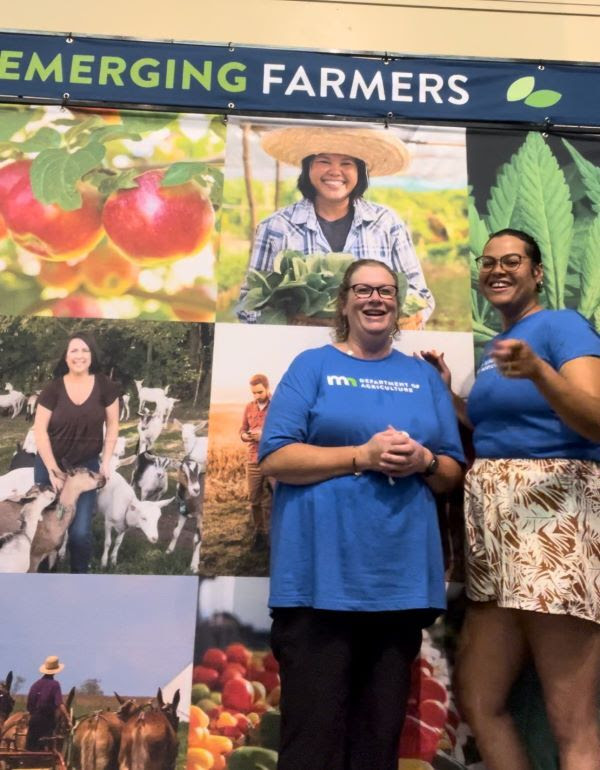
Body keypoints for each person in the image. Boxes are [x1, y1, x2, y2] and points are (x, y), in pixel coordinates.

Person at [258, 258, 464, 770]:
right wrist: (361, 456)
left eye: (386, 291)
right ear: (344, 302)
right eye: (363, 290)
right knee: (312, 746)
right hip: (316, 585)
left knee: (376, 748)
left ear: (397, 303)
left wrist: (425, 460)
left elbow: (450, 472)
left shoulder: (422, 377)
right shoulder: (312, 365)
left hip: (396, 587)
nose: (376, 299)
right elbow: (275, 459)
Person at [423, 228, 600, 770]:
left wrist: (541, 371)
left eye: (512, 261)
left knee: (571, 719)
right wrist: (450, 395)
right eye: (488, 262)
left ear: (537, 272)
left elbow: (594, 417)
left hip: (554, 526)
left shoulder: (563, 326)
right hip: (496, 535)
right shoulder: (498, 347)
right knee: (479, 697)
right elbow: (497, 428)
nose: (498, 270)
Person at [238, 125, 434, 326]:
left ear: (360, 172)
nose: (335, 171)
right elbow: (249, 303)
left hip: (373, 350)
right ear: (308, 168)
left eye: (347, 163)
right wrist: (288, 324)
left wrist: (397, 322)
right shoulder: (276, 228)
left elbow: (421, 296)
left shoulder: (386, 223)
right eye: (324, 161)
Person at [33, 332, 119, 573]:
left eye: (84, 350)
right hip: (50, 463)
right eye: (74, 351)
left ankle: (80, 578)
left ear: (92, 355)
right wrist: (52, 470)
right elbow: (39, 430)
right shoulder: (53, 389)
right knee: (45, 529)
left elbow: (113, 425)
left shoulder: (106, 386)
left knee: (80, 533)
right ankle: (41, 577)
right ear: (66, 356)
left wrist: (107, 461)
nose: (79, 356)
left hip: (86, 467)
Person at [239, 373, 273, 548]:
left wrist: (263, 435)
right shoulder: (249, 407)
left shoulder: (278, 406)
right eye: (253, 393)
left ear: (267, 388)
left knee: (276, 498)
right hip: (252, 459)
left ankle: (276, 535)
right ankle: (260, 534)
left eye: (260, 392)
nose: (256, 396)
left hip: (274, 458)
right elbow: (242, 430)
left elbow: (285, 431)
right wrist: (245, 436)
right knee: (254, 500)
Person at [25, 655, 72, 751]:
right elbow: (60, 703)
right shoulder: (55, 684)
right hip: (47, 721)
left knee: (30, 747)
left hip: (33, 720)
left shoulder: (35, 684)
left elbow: (29, 705)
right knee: (49, 744)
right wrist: (68, 718)